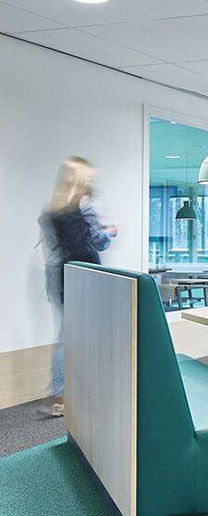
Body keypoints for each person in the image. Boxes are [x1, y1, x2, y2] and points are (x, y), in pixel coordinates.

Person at [39, 157, 117, 417]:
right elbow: (97, 242)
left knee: (68, 334)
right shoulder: (84, 208)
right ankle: (64, 392)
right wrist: (109, 232)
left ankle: (64, 392)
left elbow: (60, 246)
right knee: (82, 334)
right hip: (86, 277)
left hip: (60, 276)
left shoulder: (52, 212)